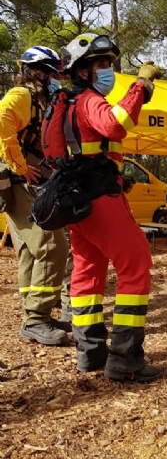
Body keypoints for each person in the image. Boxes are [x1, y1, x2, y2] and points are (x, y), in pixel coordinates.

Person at [59, 32, 162, 382]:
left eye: (109, 65)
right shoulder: (88, 100)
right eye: (101, 65)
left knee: (87, 272)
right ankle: (125, 361)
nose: (108, 71)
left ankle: (91, 355)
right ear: (82, 71)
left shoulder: (66, 104)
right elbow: (116, 125)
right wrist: (141, 85)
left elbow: (85, 150)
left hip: (77, 201)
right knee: (136, 263)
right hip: (100, 198)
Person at [0, 46, 70, 345]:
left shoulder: (40, 102)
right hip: (14, 180)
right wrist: (20, 165)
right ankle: (36, 319)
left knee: (30, 249)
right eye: (52, 73)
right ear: (36, 72)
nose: (56, 79)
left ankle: (35, 311)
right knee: (52, 243)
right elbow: (1, 122)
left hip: (22, 180)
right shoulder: (22, 96)